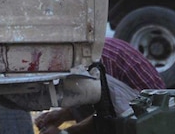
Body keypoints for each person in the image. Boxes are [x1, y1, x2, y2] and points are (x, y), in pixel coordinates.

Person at [34, 37, 166, 134]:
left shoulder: (95, 62)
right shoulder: (83, 52)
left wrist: (65, 133)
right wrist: (61, 115)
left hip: (152, 114)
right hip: (134, 104)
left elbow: (108, 114)